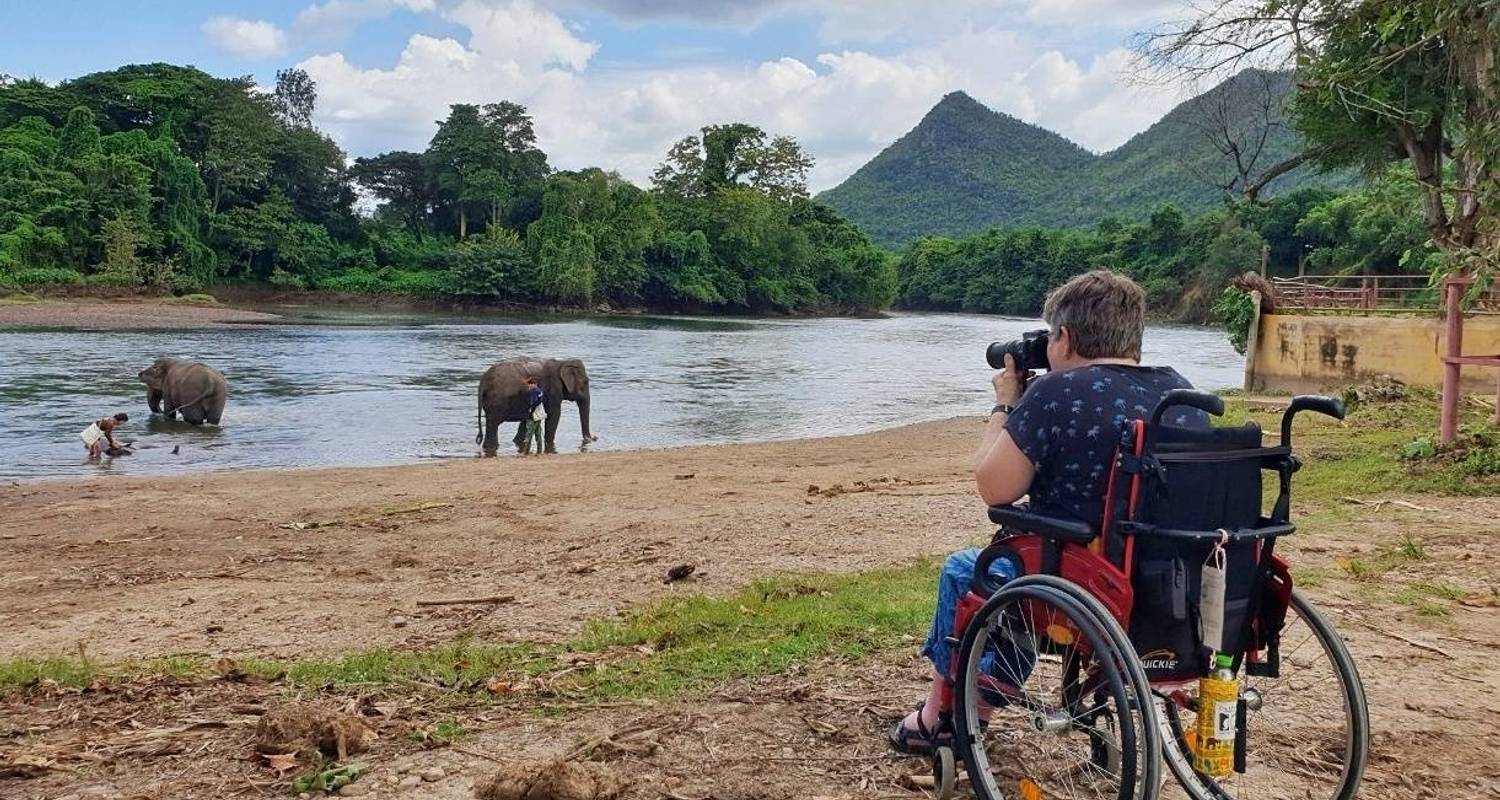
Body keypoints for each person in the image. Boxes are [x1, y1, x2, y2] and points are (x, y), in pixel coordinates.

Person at [888, 269, 1207, 753]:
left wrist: (1006, 404)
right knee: (1024, 566)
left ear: (1064, 336)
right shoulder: (1182, 394)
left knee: (967, 570)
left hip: (1091, 583)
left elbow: (994, 489)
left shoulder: (1057, 393)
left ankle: (945, 718)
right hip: (1177, 586)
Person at [522, 377, 546, 455]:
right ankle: (539, 450)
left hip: (533, 415)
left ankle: (526, 451)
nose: (529, 386)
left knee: (529, 433)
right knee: (538, 433)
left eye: (530, 385)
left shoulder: (533, 392)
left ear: (534, 384)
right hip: (539, 414)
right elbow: (540, 401)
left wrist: (530, 412)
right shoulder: (540, 391)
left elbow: (533, 403)